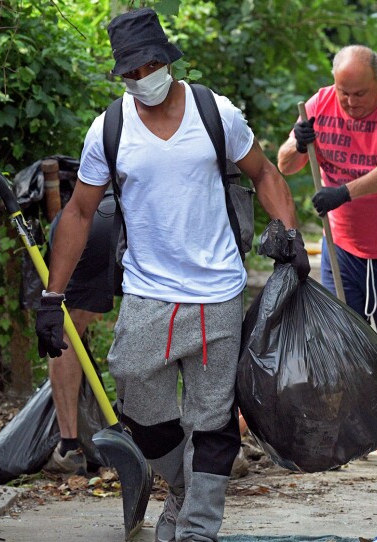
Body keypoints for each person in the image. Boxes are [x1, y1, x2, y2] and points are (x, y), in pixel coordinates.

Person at [34, 8, 310, 542]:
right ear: (122, 75)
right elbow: (79, 213)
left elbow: (265, 173)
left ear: (167, 59)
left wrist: (289, 235)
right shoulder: (110, 127)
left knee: (212, 417)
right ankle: (181, 488)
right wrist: (54, 295)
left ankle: (198, 528)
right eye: (132, 73)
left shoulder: (215, 113)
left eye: (151, 65)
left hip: (218, 292)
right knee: (135, 389)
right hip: (148, 292)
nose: (144, 79)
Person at [277, 45, 377, 384]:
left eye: (359, 93)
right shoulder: (318, 104)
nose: (350, 101)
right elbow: (285, 164)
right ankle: (359, 425)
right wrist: (299, 145)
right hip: (343, 248)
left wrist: (345, 192)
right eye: (343, 92)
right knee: (343, 340)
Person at [41, 193, 122, 476]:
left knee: (69, 326)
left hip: (89, 220)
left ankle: (68, 448)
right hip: (137, 221)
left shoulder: (104, 151)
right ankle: (212, 446)